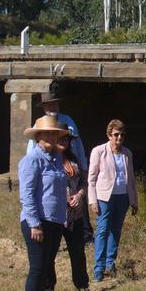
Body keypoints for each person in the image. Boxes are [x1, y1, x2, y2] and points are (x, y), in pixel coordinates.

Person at [18, 115, 70, 291]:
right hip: (37, 223)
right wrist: (35, 224)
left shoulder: (57, 158)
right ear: (38, 136)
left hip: (56, 221)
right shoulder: (32, 160)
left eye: (54, 133)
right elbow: (27, 195)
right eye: (47, 133)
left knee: (46, 268)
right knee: (37, 269)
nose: (51, 137)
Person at [28, 88, 91, 241]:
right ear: (43, 107)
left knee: (77, 200)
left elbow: (79, 146)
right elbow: (31, 151)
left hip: (70, 165)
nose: (52, 108)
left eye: (54, 104)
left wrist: (83, 167)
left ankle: (84, 232)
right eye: (48, 105)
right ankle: (53, 233)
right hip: (50, 168)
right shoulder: (39, 124)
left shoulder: (68, 121)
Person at [42, 132, 94, 291]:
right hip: (54, 215)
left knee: (78, 252)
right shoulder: (49, 160)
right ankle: (48, 287)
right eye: (61, 139)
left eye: (67, 139)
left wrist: (79, 196)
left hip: (75, 214)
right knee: (50, 252)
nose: (64, 142)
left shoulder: (74, 160)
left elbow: (83, 183)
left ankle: (82, 287)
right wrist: (63, 199)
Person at [88, 119, 138, 282]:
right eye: (116, 135)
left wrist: (134, 200)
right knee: (102, 230)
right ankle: (99, 269)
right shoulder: (99, 151)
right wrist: (92, 200)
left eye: (122, 135)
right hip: (104, 197)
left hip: (123, 196)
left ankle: (110, 264)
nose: (119, 138)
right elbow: (92, 178)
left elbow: (131, 179)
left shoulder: (127, 153)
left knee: (116, 231)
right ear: (109, 135)